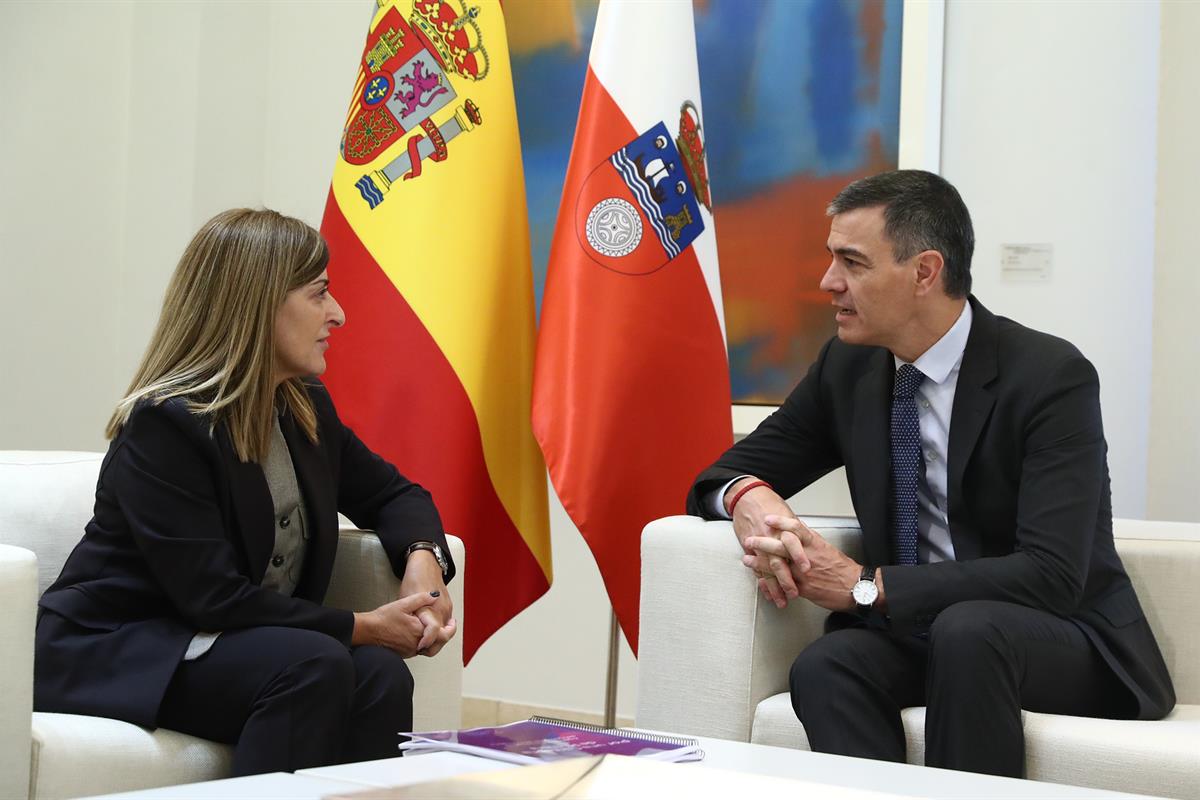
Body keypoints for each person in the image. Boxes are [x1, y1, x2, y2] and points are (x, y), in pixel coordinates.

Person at [686, 170, 1174, 777]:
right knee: (827, 664)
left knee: (970, 631)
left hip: (1066, 638)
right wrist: (749, 496)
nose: (828, 282)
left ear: (924, 272)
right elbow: (720, 474)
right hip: (931, 632)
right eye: (831, 258)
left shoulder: (1049, 376)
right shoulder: (850, 368)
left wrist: (870, 585)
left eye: (852, 262)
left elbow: (1053, 575)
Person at [35, 208, 457, 775]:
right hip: (122, 646)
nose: (338, 314)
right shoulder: (165, 426)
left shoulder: (304, 409)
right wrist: (364, 626)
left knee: (382, 674)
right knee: (313, 662)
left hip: (228, 642)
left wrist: (423, 563)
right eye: (319, 293)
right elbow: (212, 597)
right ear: (258, 305)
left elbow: (395, 494)